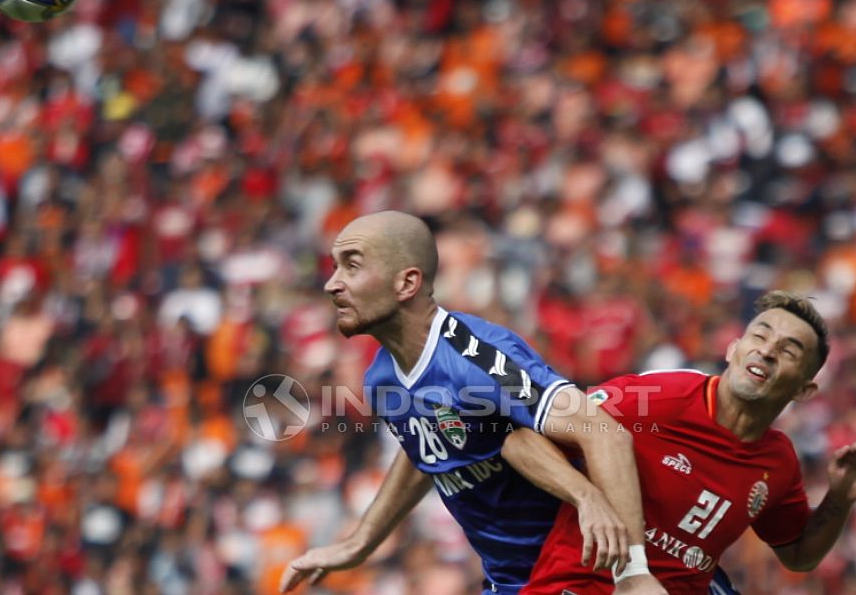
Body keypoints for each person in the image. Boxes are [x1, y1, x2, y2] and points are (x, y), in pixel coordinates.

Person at [279, 211, 664, 595]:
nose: (332, 284)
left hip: (576, 572)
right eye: (334, 268)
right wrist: (359, 542)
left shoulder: (479, 359)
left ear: (407, 283)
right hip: (507, 582)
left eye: (352, 266)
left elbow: (603, 432)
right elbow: (427, 450)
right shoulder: (382, 377)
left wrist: (633, 574)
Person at [505, 291, 856, 594]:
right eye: (760, 335)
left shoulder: (778, 463)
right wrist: (585, 497)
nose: (768, 350)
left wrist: (840, 499)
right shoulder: (657, 400)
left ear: (804, 390)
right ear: (732, 349)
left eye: (789, 350)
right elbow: (520, 440)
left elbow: (799, 554)